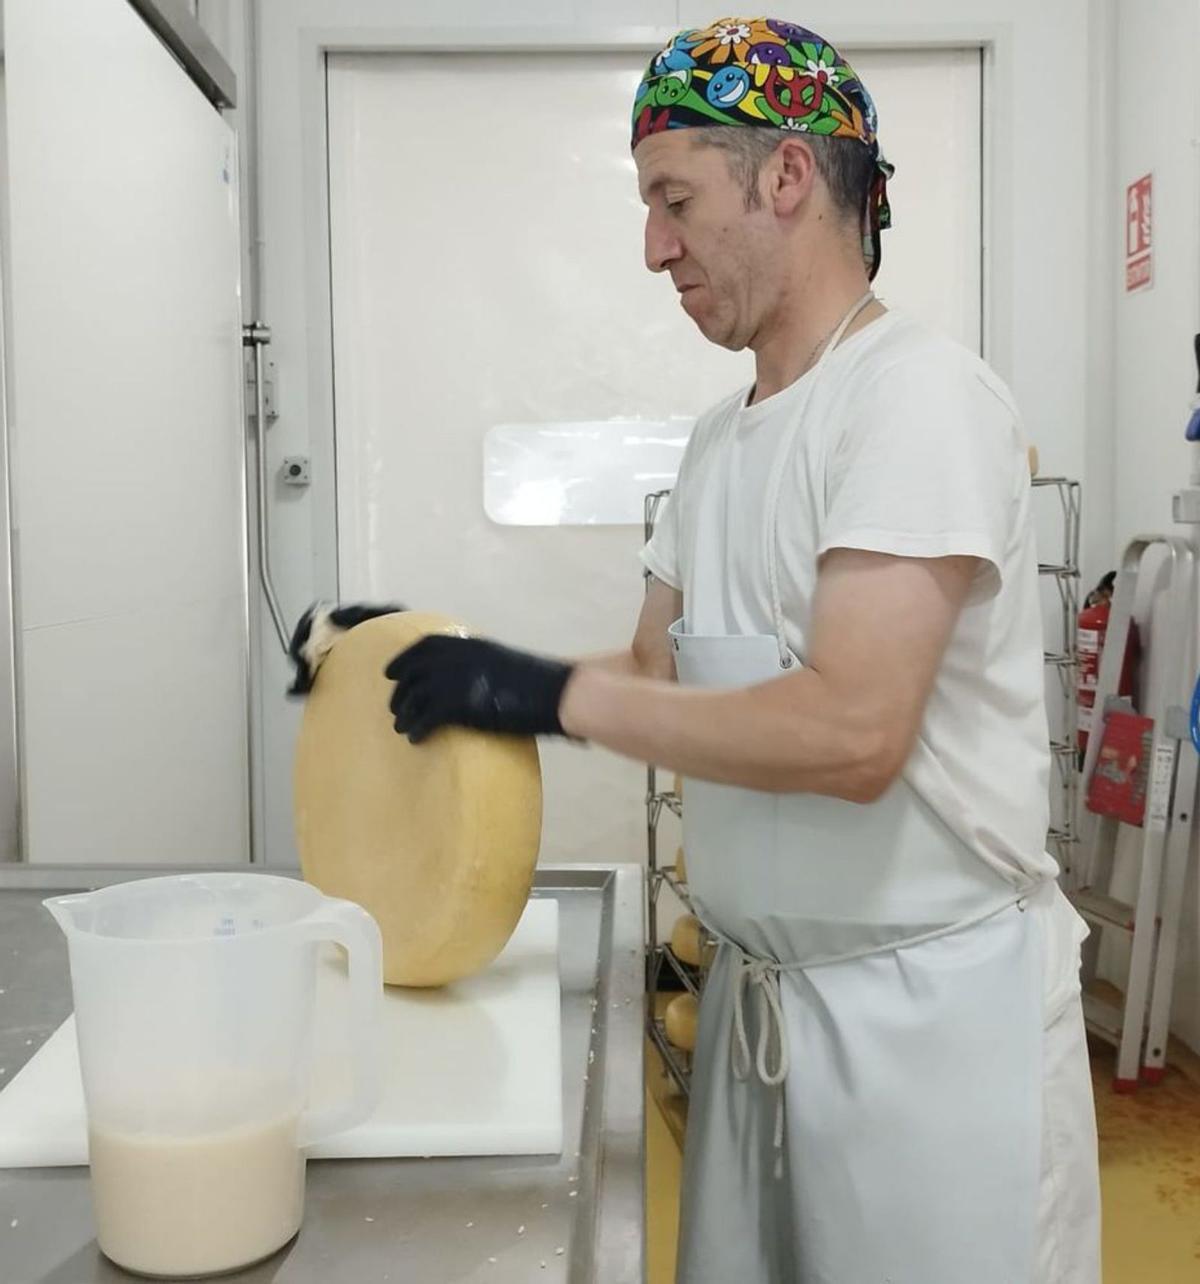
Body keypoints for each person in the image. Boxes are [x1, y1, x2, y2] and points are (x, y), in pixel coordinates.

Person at [300, 18, 1102, 1283]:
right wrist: (428, 661)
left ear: (787, 177)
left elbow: (852, 733)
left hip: (930, 1040)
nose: (654, 247)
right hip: (761, 1012)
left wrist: (550, 698)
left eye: (674, 199)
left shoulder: (917, 399)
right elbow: (654, 679)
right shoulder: (721, 442)